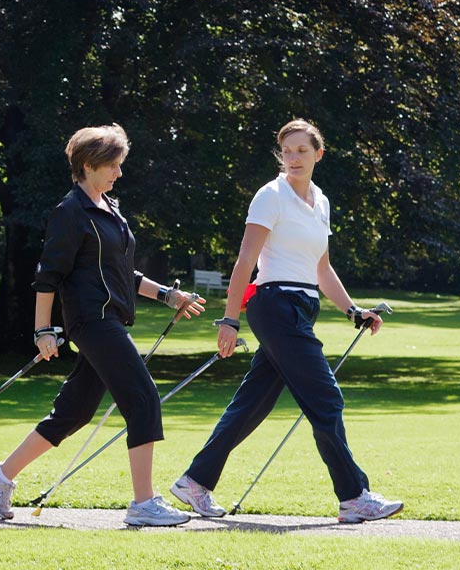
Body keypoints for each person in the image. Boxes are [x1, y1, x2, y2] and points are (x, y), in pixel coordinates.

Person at [168, 119, 404, 524]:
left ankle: (194, 482)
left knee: (251, 405)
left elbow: (322, 267)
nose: (293, 158)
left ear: (318, 154)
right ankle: (354, 496)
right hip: (274, 306)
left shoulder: (321, 201)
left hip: (301, 307)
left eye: (301, 151)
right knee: (327, 399)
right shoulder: (270, 196)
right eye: (287, 151)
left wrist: (352, 310)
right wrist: (229, 320)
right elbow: (245, 261)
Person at [0, 124, 207, 527]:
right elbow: (48, 275)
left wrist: (170, 296)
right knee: (143, 398)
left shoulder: (109, 209)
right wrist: (42, 330)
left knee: (74, 411)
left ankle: (1, 474)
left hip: (111, 319)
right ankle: (143, 503)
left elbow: (125, 273)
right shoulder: (69, 212)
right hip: (91, 321)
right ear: (88, 165)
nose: (119, 173)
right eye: (113, 165)